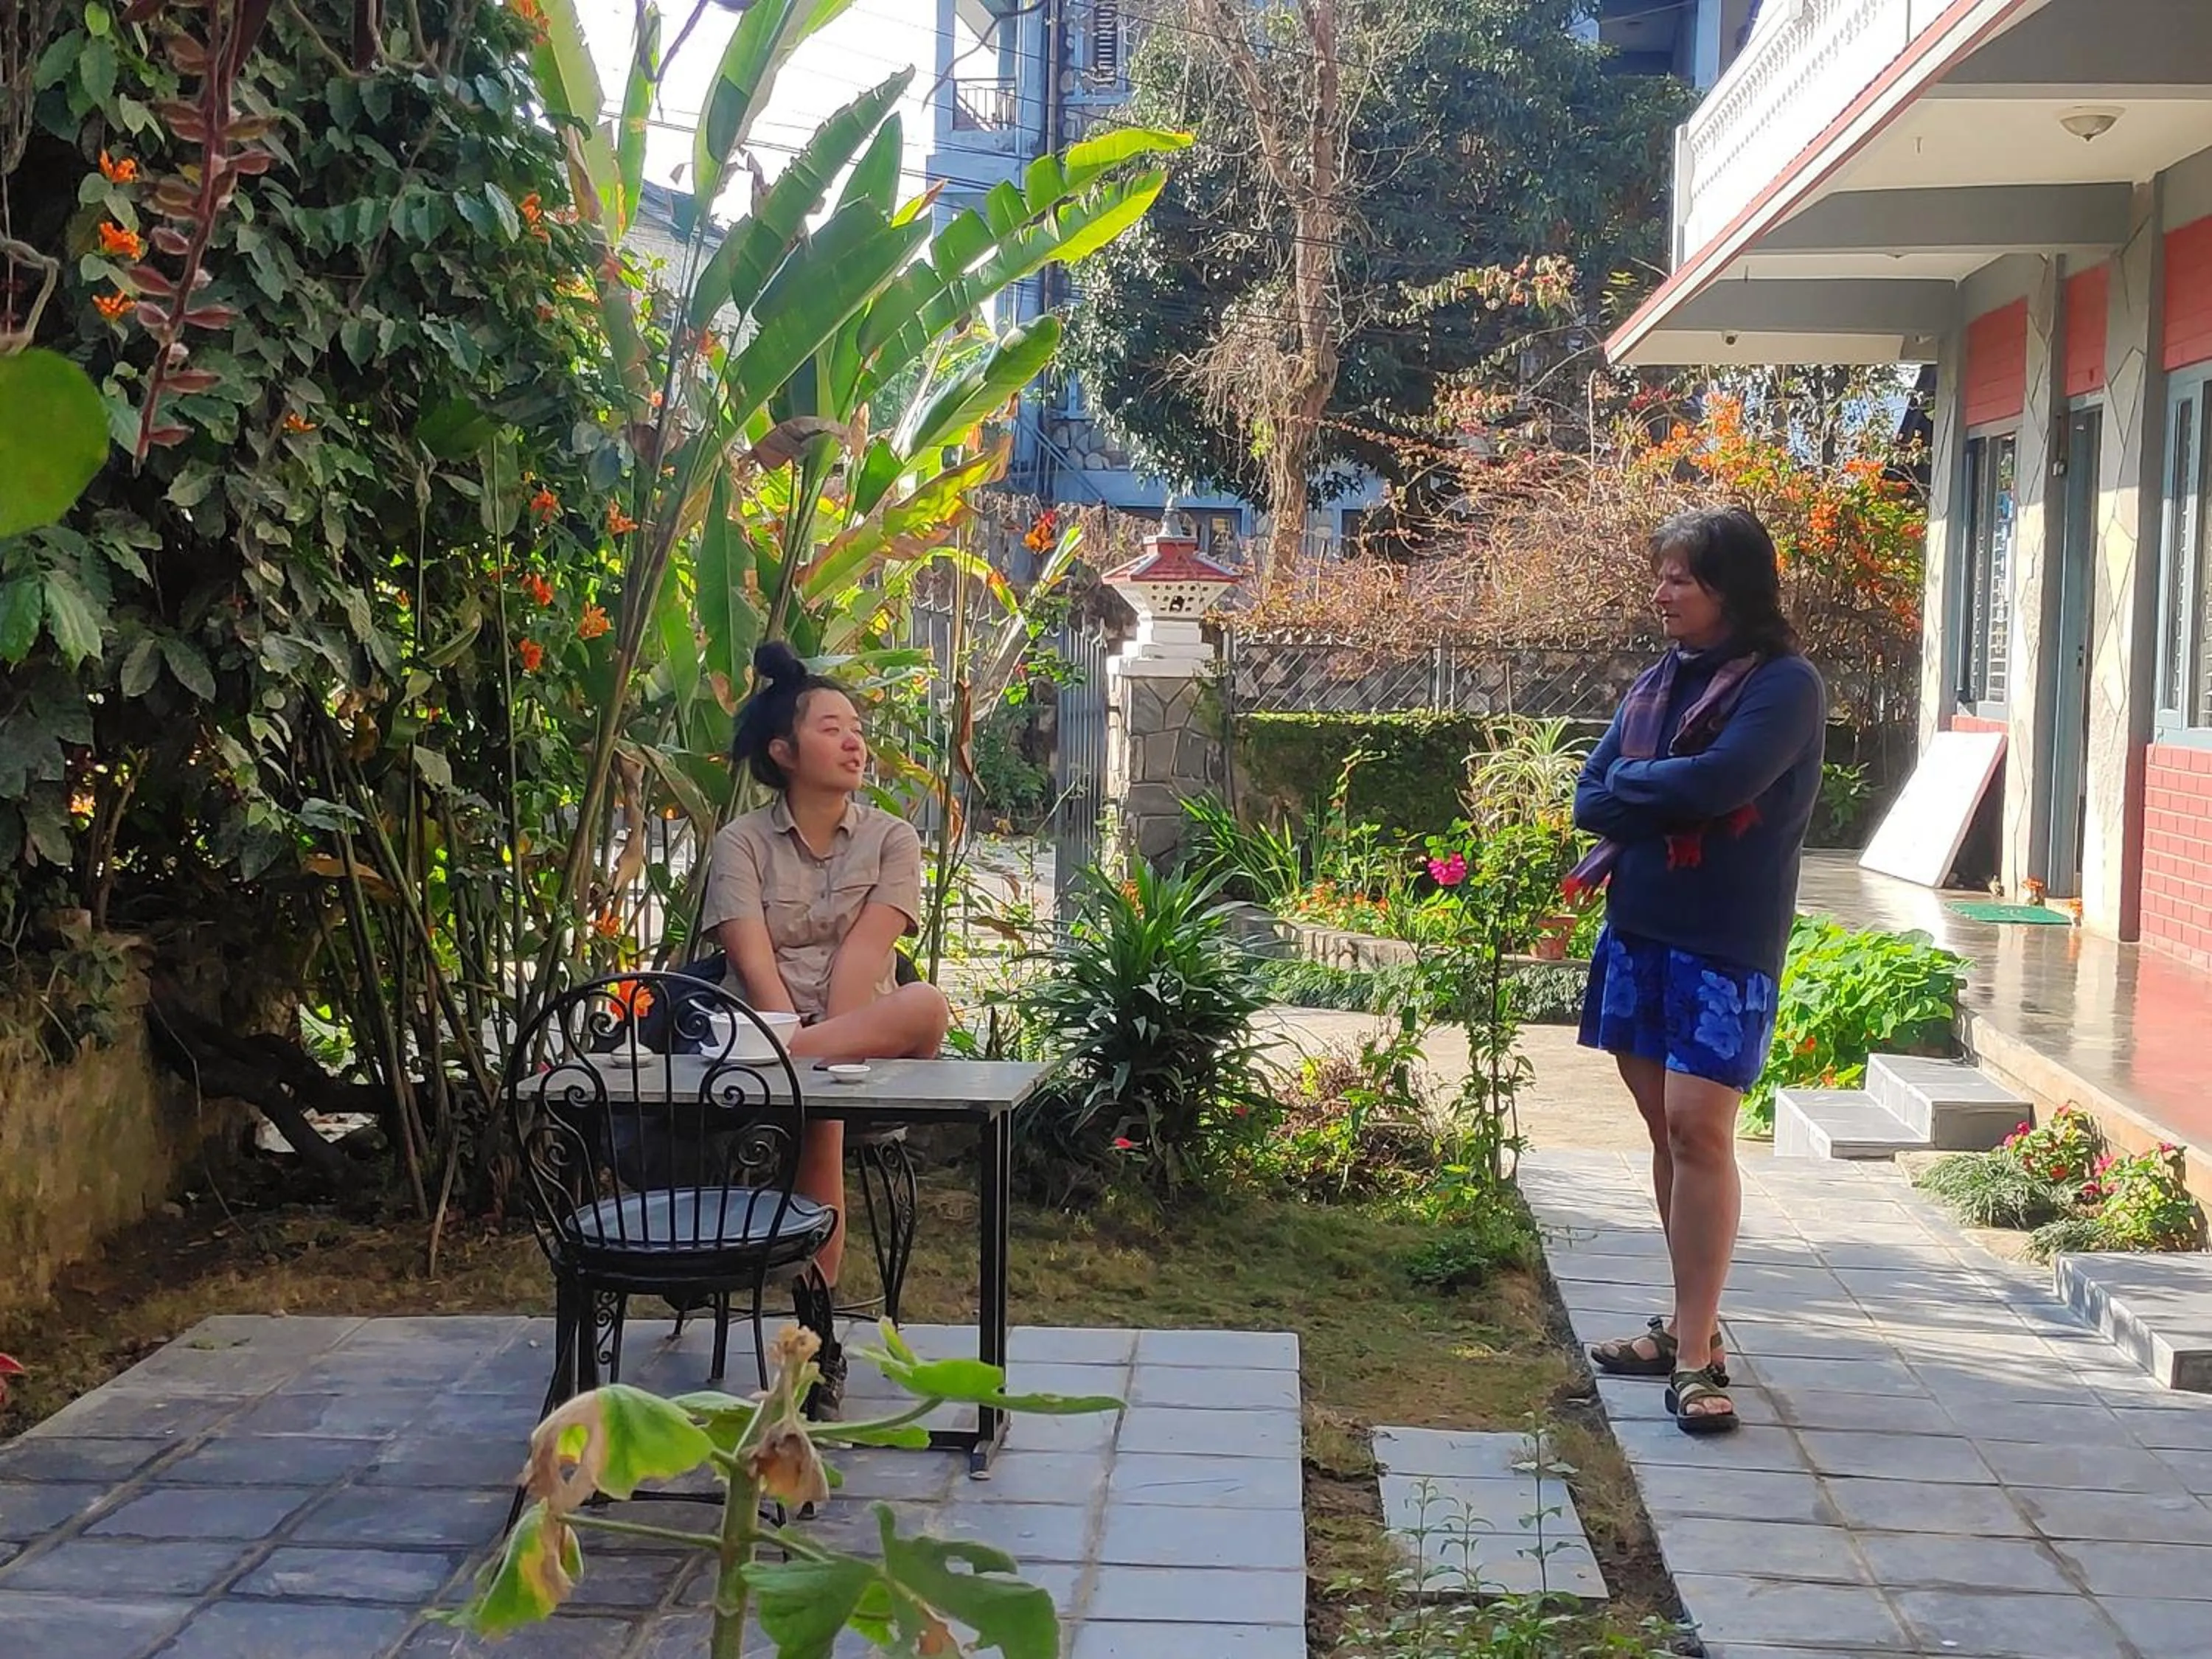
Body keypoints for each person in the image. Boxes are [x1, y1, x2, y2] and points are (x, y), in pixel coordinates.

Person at [1570, 505, 1825, 1435]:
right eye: (1663, 575)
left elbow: (1723, 783)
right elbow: (1588, 798)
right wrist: (1651, 792)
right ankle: (1690, 1325)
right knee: (1664, 1131)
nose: (1662, 593)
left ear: (1732, 587)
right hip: (1640, 926)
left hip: (1726, 936)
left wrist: (1637, 788)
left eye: (1681, 578)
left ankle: (1694, 1360)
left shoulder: (1784, 686)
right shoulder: (1659, 681)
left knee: (1698, 1131)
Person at [700, 642, 952, 1414]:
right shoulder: (740, 843)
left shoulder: (891, 838)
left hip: (857, 1040)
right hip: (769, 1035)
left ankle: (814, 1342)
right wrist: (796, 1046)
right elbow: (752, 961)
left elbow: (866, 957)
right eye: (832, 728)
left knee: (927, 1004)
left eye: (857, 729)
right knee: (822, 1118)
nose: (854, 743)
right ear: (784, 752)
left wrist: (809, 1051)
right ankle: (817, 1336)